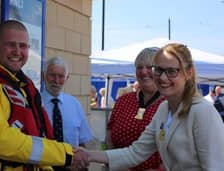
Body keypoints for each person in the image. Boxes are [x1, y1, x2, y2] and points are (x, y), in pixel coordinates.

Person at [0, 20, 87, 171]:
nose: (17, 52)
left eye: (23, 46)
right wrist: (65, 154)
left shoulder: (22, 87)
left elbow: (36, 138)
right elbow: (3, 142)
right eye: (10, 44)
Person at [77, 43, 224, 171]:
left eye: (171, 71)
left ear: (188, 73)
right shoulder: (164, 109)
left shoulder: (202, 111)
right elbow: (136, 152)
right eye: (159, 70)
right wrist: (89, 155)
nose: (163, 77)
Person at [105, 47, 165, 171]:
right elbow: (109, 135)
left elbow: (181, 149)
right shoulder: (123, 101)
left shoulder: (170, 103)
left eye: (149, 67)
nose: (143, 72)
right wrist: (114, 163)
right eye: (139, 67)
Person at [41, 56, 93, 170]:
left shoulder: (74, 104)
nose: (56, 81)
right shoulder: (34, 103)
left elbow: (82, 142)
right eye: (52, 75)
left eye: (61, 76)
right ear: (43, 75)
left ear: (67, 78)